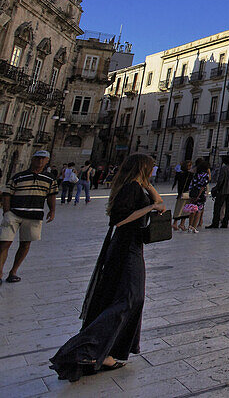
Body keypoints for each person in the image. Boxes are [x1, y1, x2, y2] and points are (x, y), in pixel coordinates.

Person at [49, 153, 165, 382]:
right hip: (125, 247)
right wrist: (150, 207)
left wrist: (151, 192)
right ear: (141, 168)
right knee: (129, 299)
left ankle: (111, 351)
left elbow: (160, 203)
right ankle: (86, 350)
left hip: (132, 245)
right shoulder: (131, 188)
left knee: (129, 298)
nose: (153, 170)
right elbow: (119, 220)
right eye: (150, 168)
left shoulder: (136, 186)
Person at [0, 151, 57, 285]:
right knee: (4, 242)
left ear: (47, 161)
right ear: (32, 159)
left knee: (25, 244)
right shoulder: (18, 176)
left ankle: (13, 272)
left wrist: (52, 210)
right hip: (14, 213)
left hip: (34, 215)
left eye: (43, 159)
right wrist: (6, 212)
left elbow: (51, 196)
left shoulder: (50, 179)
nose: (40, 161)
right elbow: (7, 194)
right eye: (37, 158)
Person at [207, 155, 229, 229]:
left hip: (223, 190)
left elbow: (220, 180)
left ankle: (215, 223)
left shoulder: (224, 168)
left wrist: (216, 188)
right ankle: (225, 223)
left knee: (218, 207)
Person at [183, 159, 209, 233]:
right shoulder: (205, 175)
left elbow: (191, 185)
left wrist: (191, 193)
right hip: (200, 195)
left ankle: (189, 226)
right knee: (198, 210)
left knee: (192, 209)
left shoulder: (196, 174)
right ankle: (194, 227)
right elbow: (202, 186)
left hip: (193, 193)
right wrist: (199, 195)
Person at [171, 160, 192, 231]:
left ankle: (175, 223)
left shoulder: (179, 174)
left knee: (178, 208)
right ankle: (182, 224)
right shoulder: (190, 174)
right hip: (187, 193)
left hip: (180, 193)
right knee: (186, 208)